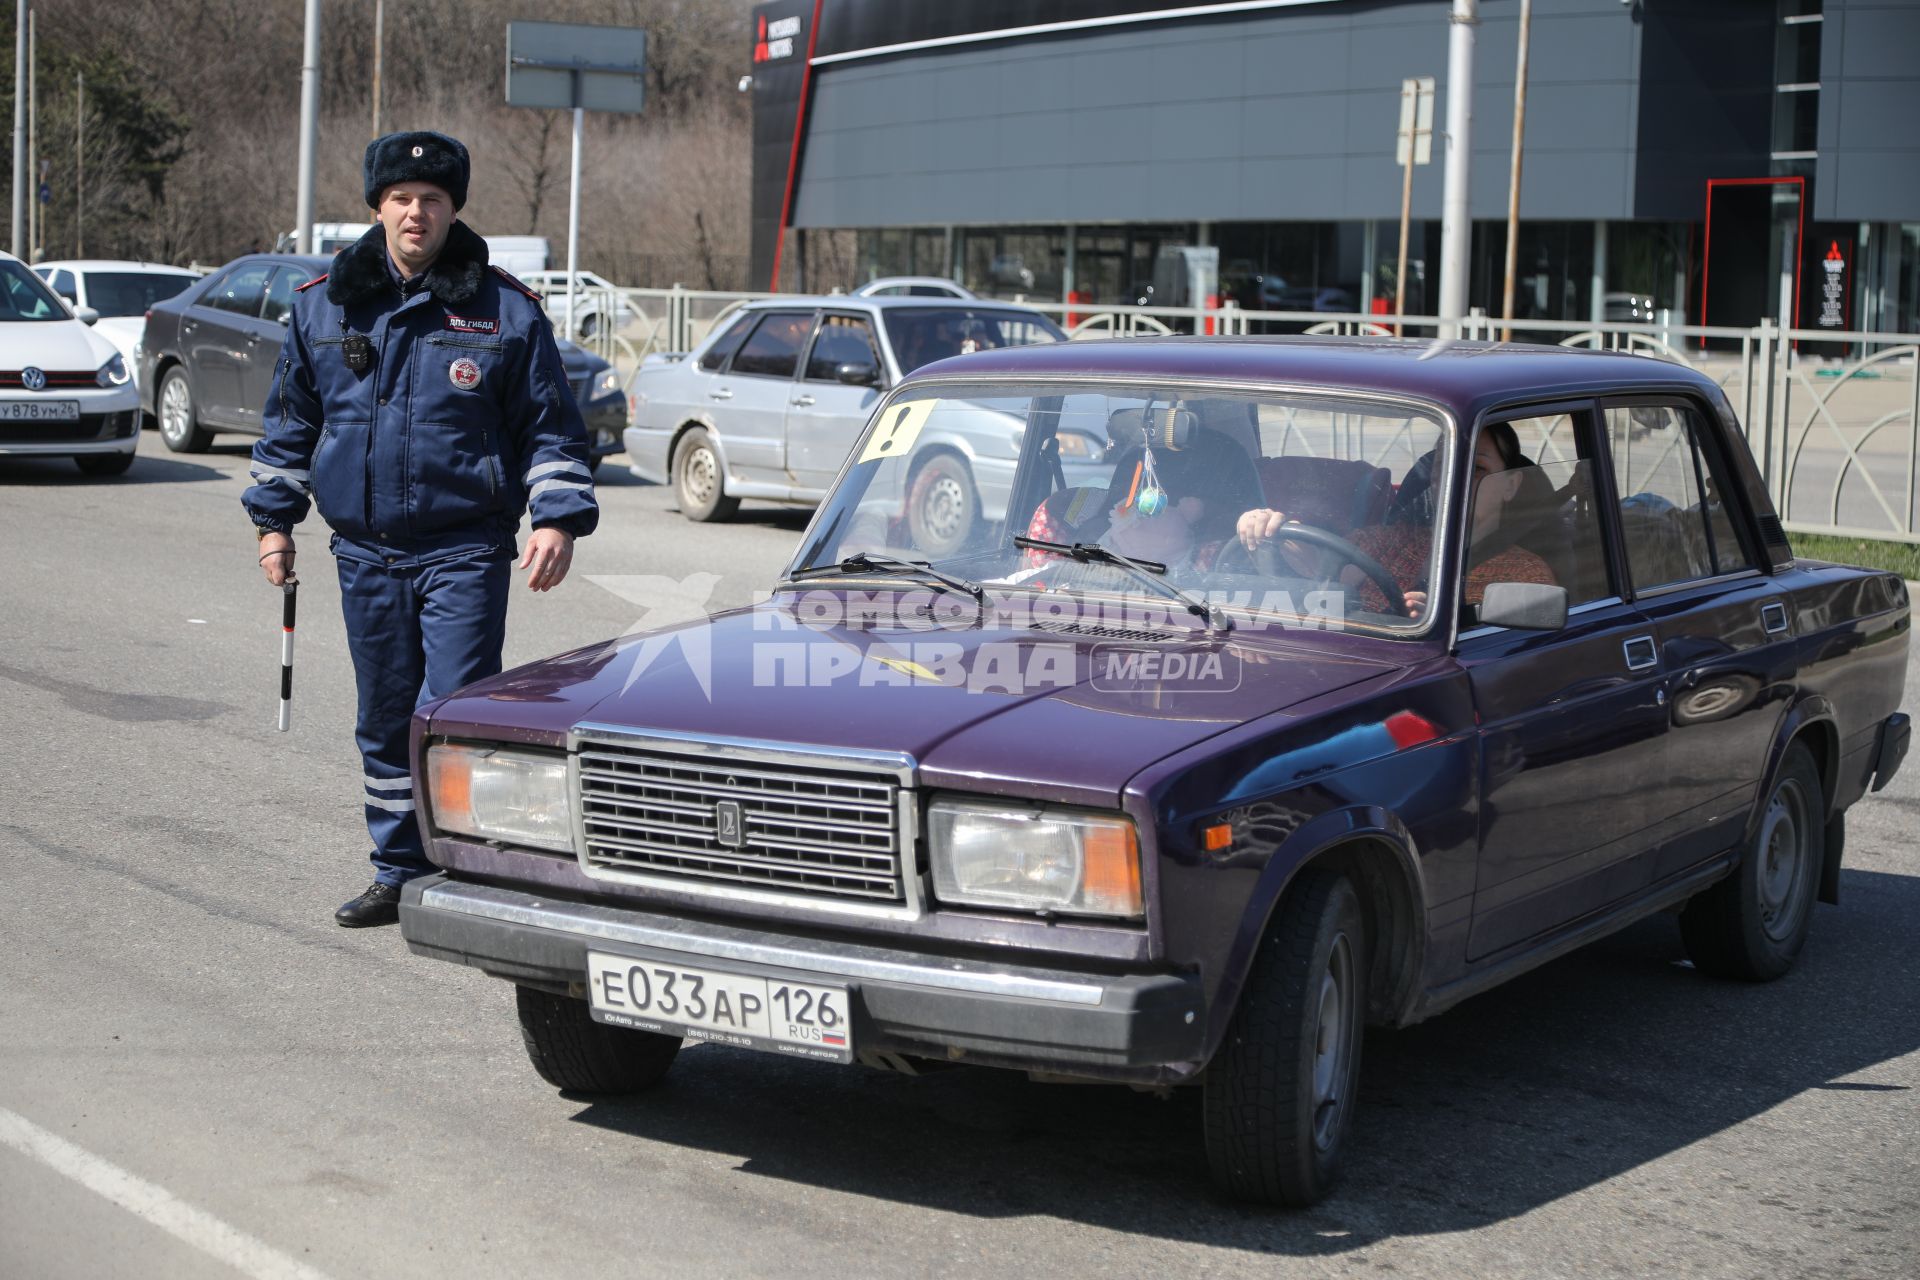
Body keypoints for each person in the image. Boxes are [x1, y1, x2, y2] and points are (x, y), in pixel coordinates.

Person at [242, 131, 597, 927]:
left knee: (457, 712)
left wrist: (558, 520)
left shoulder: (503, 310)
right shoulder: (324, 303)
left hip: (464, 550)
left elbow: (551, 427)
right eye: (401, 198)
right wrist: (274, 525)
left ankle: (466, 870)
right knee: (384, 717)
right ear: (377, 207)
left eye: (432, 200)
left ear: (452, 211)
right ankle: (397, 868)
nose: (416, 212)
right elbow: (290, 426)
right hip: (364, 553)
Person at [1235, 423, 1555, 618]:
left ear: (1512, 485)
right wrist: (1270, 531)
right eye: (1444, 465)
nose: (1454, 478)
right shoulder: (1387, 539)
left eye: (1477, 469)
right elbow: (1324, 571)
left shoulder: (1524, 574)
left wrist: (1448, 623)